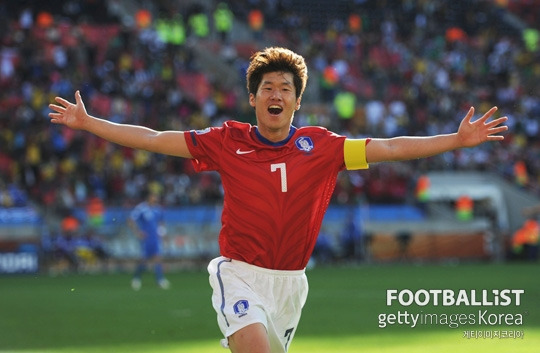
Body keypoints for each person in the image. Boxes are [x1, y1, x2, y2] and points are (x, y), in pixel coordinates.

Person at [49, 47, 508, 353]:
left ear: (296, 103)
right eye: (267, 87)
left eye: (285, 88)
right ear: (253, 98)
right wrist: (92, 124)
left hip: (291, 284)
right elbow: (152, 136)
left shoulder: (322, 146)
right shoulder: (226, 140)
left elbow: (387, 148)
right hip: (240, 274)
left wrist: (455, 139)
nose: (276, 94)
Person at [128, 190, 170, 290]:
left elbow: (161, 222)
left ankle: (160, 280)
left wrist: (162, 232)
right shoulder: (141, 208)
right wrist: (138, 232)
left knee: (157, 258)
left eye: (156, 197)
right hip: (146, 238)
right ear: (149, 198)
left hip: (155, 237)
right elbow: (130, 220)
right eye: (153, 197)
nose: (155, 199)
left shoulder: (158, 209)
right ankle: (136, 279)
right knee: (144, 260)